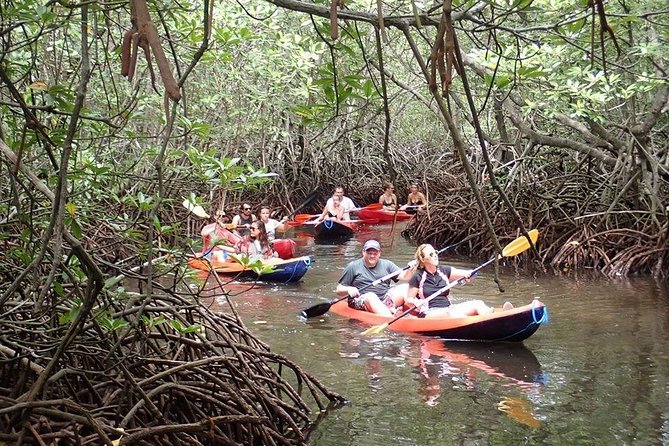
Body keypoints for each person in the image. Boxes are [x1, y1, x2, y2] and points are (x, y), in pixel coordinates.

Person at [406, 244, 512, 318]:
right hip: (429, 312)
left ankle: (492, 317)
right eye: (431, 254)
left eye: (435, 252)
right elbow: (409, 299)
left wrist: (470, 274)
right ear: (423, 260)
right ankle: (478, 323)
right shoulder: (418, 276)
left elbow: (469, 273)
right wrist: (416, 302)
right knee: (450, 313)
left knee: (477, 303)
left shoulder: (444, 271)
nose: (435, 255)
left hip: (449, 308)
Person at [335, 239, 413, 317]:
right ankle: (391, 318)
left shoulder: (387, 264)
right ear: (363, 252)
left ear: (379, 254)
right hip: (363, 300)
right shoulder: (353, 267)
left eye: (375, 253)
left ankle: (416, 312)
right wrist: (348, 289)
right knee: (371, 296)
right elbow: (339, 289)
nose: (372, 256)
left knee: (405, 287)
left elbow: (405, 276)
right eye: (369, 253)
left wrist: (411, 269)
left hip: (384, 299)